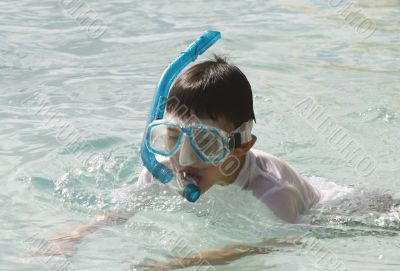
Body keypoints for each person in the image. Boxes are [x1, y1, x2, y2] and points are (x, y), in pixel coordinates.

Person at [43, 55, 321, 268]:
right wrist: (75, 235)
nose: (183, 160)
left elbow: (271, 245)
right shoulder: (162, 169)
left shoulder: (274, 192)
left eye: (205, 142)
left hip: (328, 208)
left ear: (242, 145)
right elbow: (120, 213)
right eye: (173, 137)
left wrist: (187, 263)